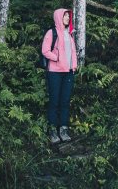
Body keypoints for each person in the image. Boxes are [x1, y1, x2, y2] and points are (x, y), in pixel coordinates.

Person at [41, 8, 78, 144]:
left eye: (68, 16)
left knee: (65, 101)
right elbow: (45, 50)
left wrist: (74, 65)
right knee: (54, 101)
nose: (68, 18)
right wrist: (56, 57)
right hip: (55, 72)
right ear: (58, 17)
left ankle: (63, 129)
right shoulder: (52, 33)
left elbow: (73, 52)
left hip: (68, 72)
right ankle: (52, 131)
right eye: (65, 16)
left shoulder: (69, 34)